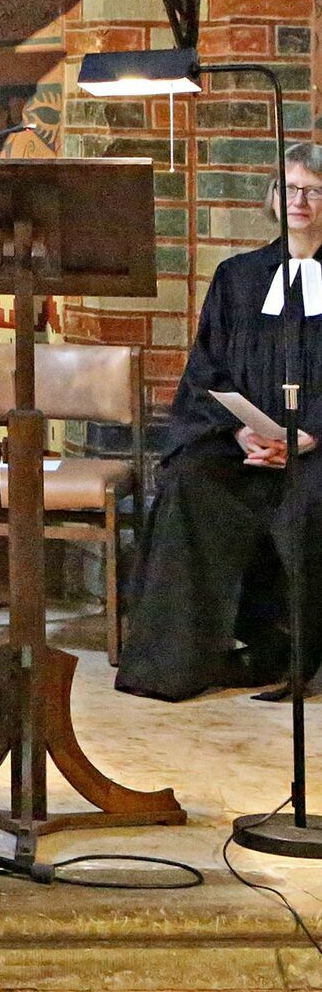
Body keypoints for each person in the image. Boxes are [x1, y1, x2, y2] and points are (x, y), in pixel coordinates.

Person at [118, 147, 322, 704]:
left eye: (312, 189)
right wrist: (240, 433)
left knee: (306, 500)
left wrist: (308, 435)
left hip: (317, 447)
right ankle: (175, 662)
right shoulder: (239, 277)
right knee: (190, 483)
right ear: (273, 199)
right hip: (245, 442)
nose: (298, 200)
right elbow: (207, 371)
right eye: (289, 187)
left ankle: (291, 651)